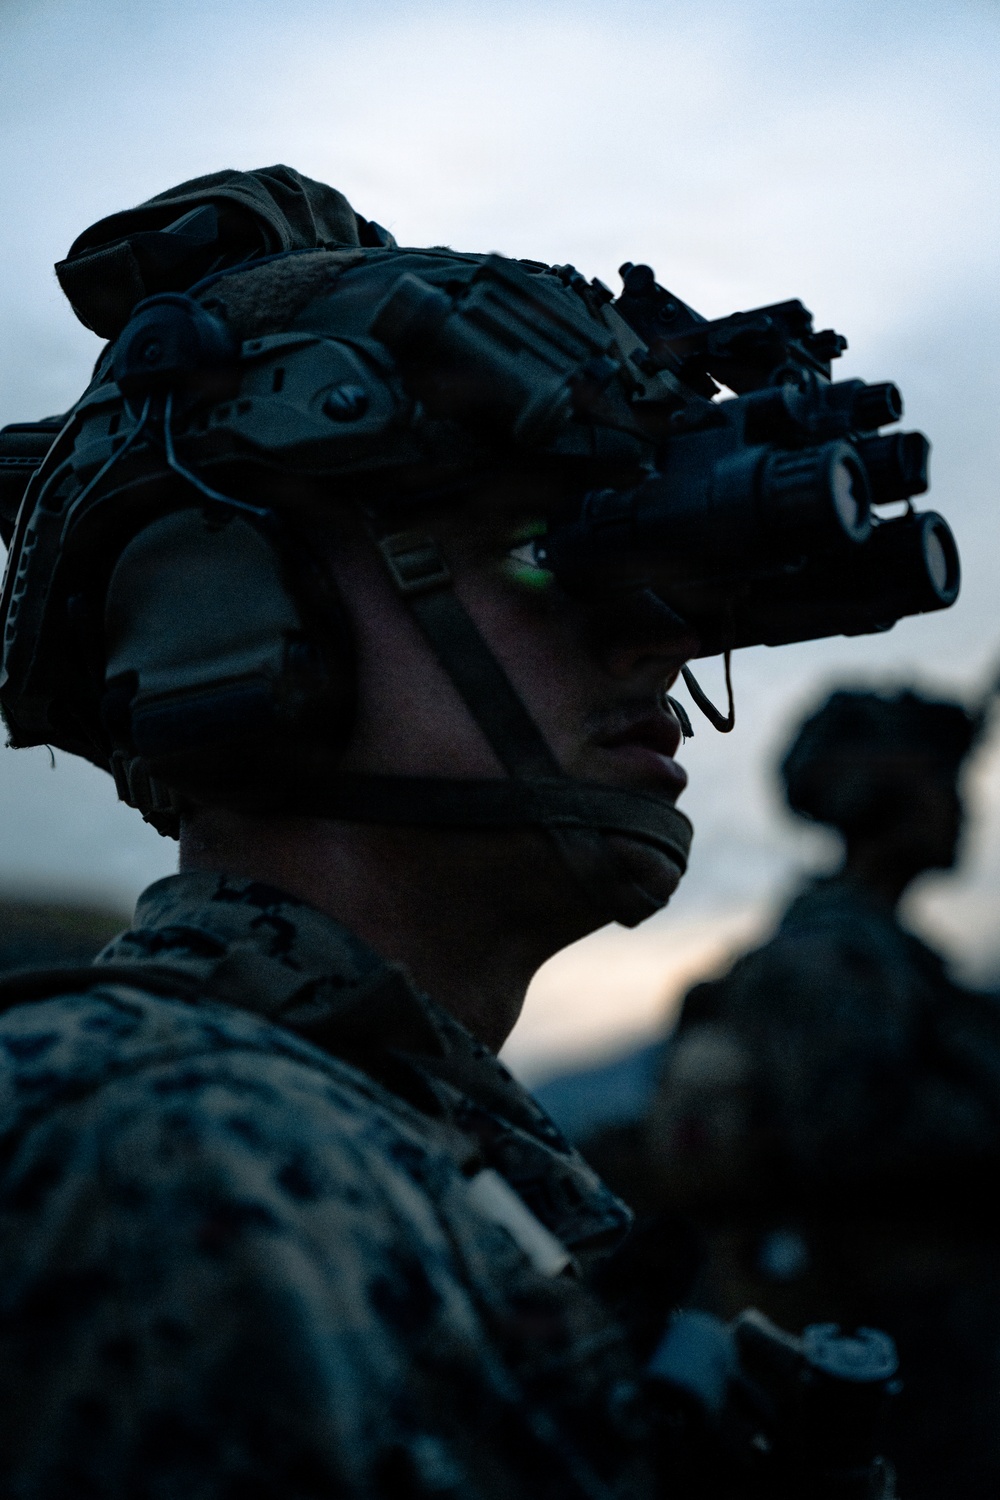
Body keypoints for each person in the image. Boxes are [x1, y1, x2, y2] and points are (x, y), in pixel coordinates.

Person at [0, 166, 915, 1498]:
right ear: (234, 622)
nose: (657, 640)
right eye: (547, 553)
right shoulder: (169, 1151)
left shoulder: (412, 1138)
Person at [589, 687, 1000, 1499]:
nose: (964, 809)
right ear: (881, 799)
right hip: (900, 1354)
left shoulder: (886, 958)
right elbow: (855, 1140)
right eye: (942, 783)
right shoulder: (829, 962)